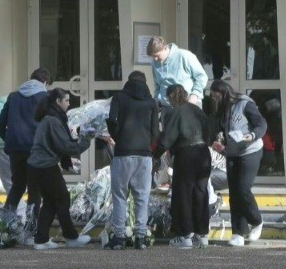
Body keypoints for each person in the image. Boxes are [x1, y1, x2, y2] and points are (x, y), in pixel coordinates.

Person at [27, 88, 94, 250]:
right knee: (62, 198)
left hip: (38, 165)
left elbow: (61, 142)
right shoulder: (53, 120)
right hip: (45, 166)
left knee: (51, 201)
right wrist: (85, 140)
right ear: (57, 102)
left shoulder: (51, 118)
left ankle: (41, 239)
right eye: (67, 100)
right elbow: (66, 146)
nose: (69, 104)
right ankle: (71, 237)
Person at [104, 70, 159, 250]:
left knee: (120, 196)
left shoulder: (119, 98)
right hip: (144, 155)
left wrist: (118, 137)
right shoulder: (151, 102)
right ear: (144, 82)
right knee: (142, 197)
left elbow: (111, 120)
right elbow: (155, 131)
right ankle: (140, 238)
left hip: (123, 153)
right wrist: (148, 144)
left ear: (128, 82)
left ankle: (119, 238)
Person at [209, 79, 267, 247]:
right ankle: (238, 233)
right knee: (234, 192)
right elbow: (222, 129)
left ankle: (256, 220)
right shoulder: (220, 109)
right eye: (212, 96)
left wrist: (252, 135)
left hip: (251, 151)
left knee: (243, 188)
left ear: (224, 93)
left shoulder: (244, 104)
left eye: (216, 96)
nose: (214, 99)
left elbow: (261, 123)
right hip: (232, 153)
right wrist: (220, 138)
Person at [153, 84, 212, 249]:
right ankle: (202, 235)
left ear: (171, 97)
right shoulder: (198, 111)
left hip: (186, 154)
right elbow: (208, 132)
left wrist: (156, 155)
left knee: (183, 194)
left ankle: (185, 235)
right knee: (201, 193)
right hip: (203, 153)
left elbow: (167, 138)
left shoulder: (176, 112)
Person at [0, 68, 51, 234]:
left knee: (17, 186)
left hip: (15, 150)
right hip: (36, 150)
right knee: (35, 190)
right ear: (45, 82)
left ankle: (5, 227)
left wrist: (11, 140)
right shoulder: (45, 97)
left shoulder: (13, 96)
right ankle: (31, 231)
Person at [146, 36, 208, 116]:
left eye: (157, 55)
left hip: (189, 104)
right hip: (167, 107)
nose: (155, 59)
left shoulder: (185, 56)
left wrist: (194, 95)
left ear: (165, 48)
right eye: (153, 57)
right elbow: (158, 84)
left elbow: (201, 76)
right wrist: (157, 100)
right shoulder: (155, 63)